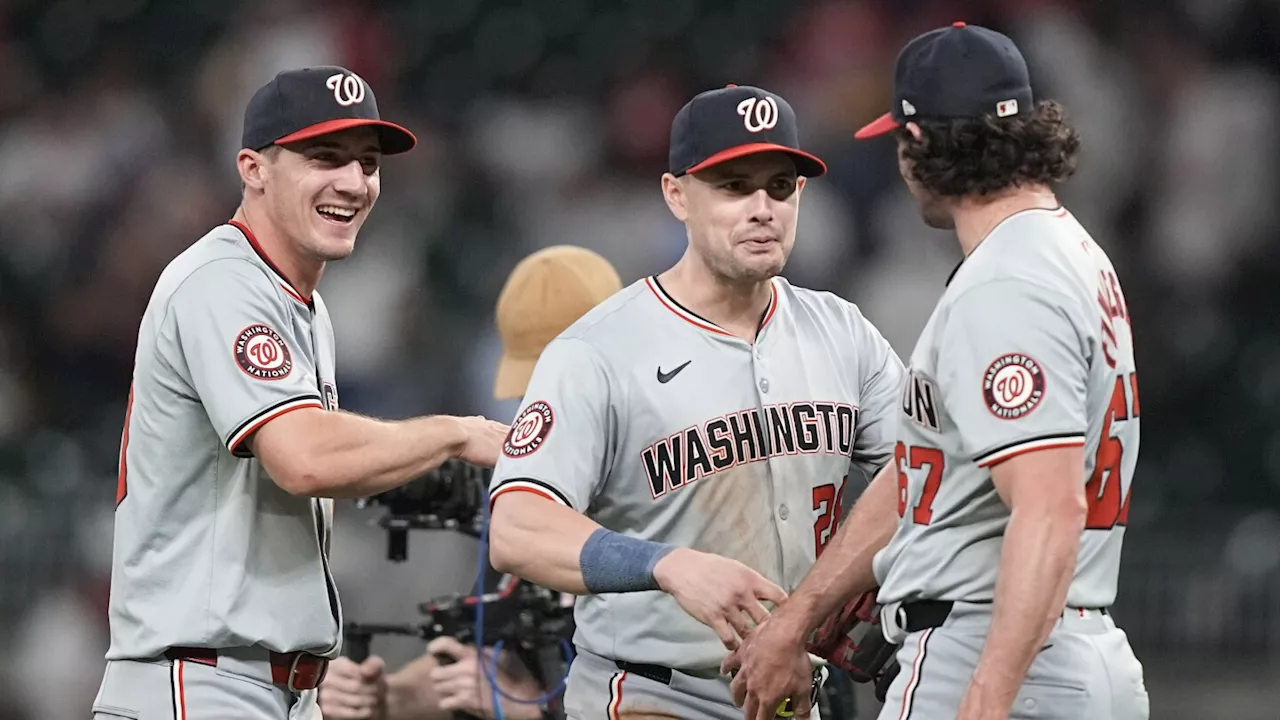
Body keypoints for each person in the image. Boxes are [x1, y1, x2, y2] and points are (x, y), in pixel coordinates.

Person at [724, 22, 1150, 720]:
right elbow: (924, 471)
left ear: (918, 143)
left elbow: (1050, 508)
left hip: (993, 654)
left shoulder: (1007, 284)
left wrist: (985, 698)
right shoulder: (1066, 251)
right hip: (1062, 648)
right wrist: (800, 615)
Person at [92, 65, 510, 720]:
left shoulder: (303, 306)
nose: (353, 182)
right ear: (254, 168)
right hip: (201, 679)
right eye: (324, 157)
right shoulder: (221, 281)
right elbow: (306, 460)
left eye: (367, 163)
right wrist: (459, 434)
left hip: (270, 683)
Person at [485, 83, 905, 720]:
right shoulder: (599, 350)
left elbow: (921, 472)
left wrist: (835, 593)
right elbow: (516, 530)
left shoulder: (842, 331)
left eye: (780, 186)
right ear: (676, 195)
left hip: (792, 690)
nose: (762, 208)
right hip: (653, 690)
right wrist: (664, 565)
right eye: (734, 187)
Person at [318, 245, 624, 720]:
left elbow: (695, 694)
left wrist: (526, 711)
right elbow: (482, 662)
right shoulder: (529, 499)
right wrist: (384, 698)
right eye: (534, 393)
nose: (542, 411)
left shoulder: (666, 496)